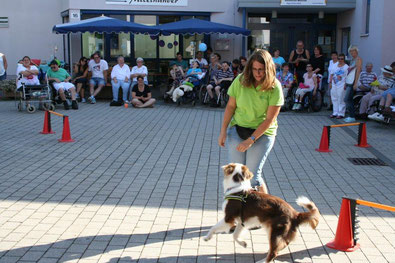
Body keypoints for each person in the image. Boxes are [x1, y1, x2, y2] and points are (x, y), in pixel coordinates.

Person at [218, 49, 284, 193]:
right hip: (238, 129)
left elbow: (270, 119)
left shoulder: (275, 87)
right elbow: (230, 107)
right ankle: (239, 210)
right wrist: (223, 131)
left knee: (253, 177)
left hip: (262, 133)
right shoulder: (240, 80)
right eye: (254, 69)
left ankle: (266, 210)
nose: (258, 73)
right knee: (237, 174)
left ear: (268, 69)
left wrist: (251, 139)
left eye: (261, 70)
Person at [343, 45, 363, 123]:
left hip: (352, 82)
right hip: (348, 81)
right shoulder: (352, 60)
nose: (352, 53)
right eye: (351, 51)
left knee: (347, 99)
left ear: (356, 51)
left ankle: (352, 116)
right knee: (349, 99)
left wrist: (355, 83)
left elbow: (358, 71)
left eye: (353, 51)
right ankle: (351, 115)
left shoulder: (358, 59)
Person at [329, 53, 348, 119]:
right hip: (334, 84)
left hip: (342, 85)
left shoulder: (346, 67)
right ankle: (335, 112)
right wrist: (330, 83)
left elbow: (347, 77)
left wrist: (346, 84)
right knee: (334, 98)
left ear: (344, 59)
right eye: (339, 59)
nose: (340, 60)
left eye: (342, 59)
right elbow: (331, 74)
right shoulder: (334, 65)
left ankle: (341, 113)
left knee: (341, 99)